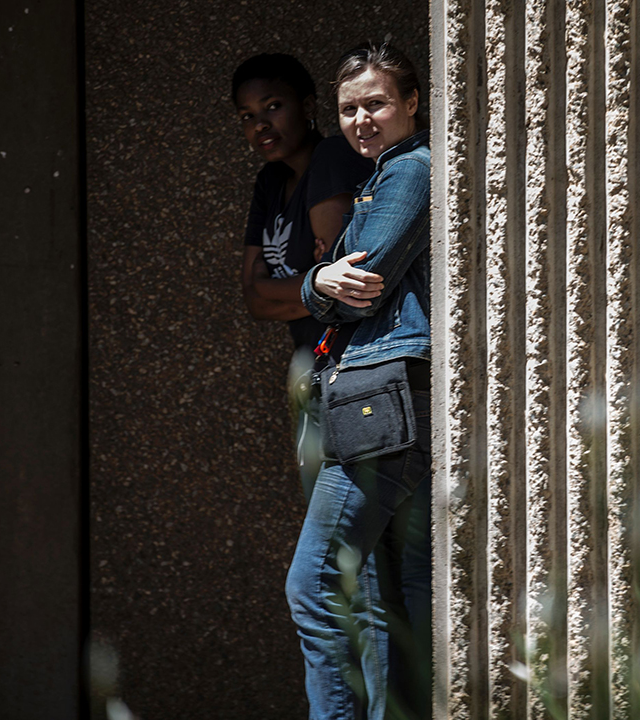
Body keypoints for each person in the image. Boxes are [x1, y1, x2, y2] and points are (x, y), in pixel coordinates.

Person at [285, 43, 432, 720]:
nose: (361, 119)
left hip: (383, 396)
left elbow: (361, 292)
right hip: (383, 396)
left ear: (411, 103)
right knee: (387, 599)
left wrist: (319, 281)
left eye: (376, 103)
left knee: (314, 588)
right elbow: (334, 279)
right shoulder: (381, 176)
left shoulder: (409, 172)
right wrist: (321, 278)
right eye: (349, 109)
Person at [233, 53, 374, 503]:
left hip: (346, 369)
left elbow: (340, 286)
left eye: (273, 106)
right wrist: (308, 283)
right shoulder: (269, 183)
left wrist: (287, 285)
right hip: (306, 373)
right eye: (247, 116)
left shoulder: (331, 157)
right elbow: (253, 300)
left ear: (309, 105)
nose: (261, 124)